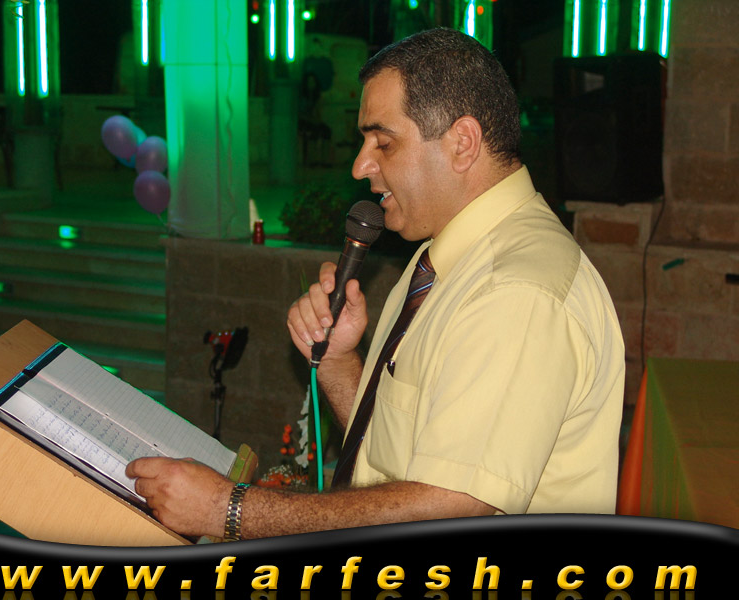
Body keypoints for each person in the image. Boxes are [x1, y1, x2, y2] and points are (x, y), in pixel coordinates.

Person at [126, 27, 625, 541]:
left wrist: (230, 511)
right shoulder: (445, 255)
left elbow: (450, 506)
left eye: (383, 143)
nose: (360, 166)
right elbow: (396, 462)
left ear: (462, 143)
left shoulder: (516, 291)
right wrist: (339, 362)